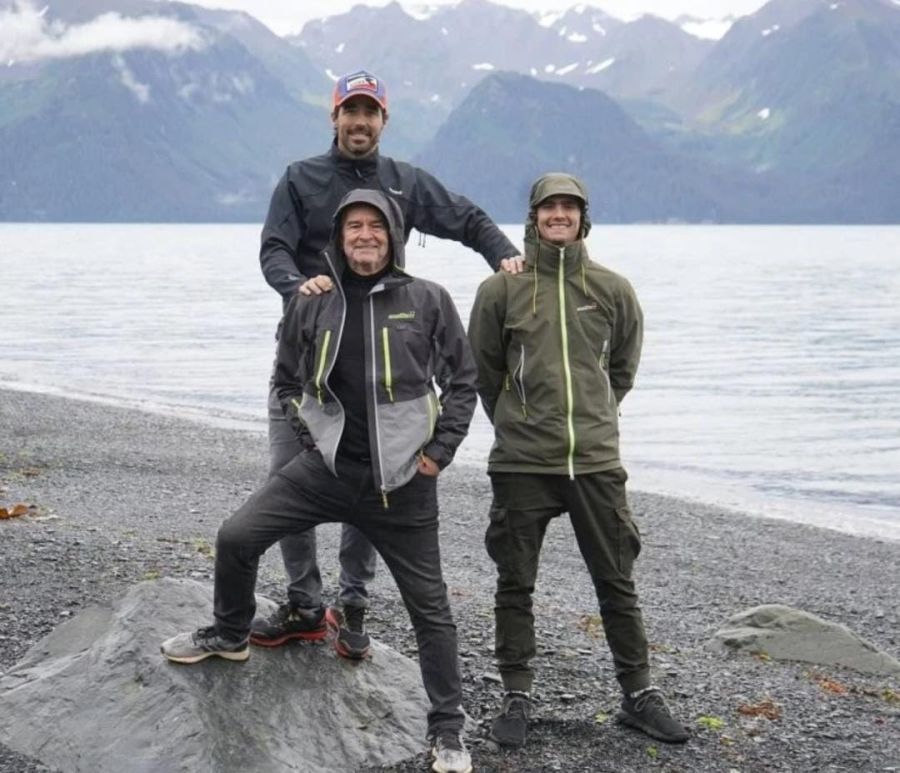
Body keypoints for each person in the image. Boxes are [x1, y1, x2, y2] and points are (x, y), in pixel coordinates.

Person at [162, 188, 476, 773]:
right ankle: (230, 635)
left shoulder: (428, 299)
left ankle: (449, 731)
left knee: (430, 609)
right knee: (236, 536)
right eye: (353, 226)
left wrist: (439, 452)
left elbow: (464, 380)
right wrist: (309, 438)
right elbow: (285, 380)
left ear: (393, 236)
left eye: (375, 227)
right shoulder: (313, 302)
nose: (364, 235)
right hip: (326, 472)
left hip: (402, 485)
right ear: (339, 237)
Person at [255, 68, 521, 659]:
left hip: (382, 366)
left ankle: (352, 603)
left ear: (383, 121)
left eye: (369, 112)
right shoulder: (301, 179)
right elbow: (273, 247)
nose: (359, 121)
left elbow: (468, 218)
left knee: (371, 483)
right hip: (310, 359)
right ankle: (303, 603)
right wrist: (298, 286)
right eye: (350, 111)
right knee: (286, 480)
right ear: (334, 119)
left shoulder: (404, 182)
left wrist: (505, 257)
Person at [467, 173, 689, 748]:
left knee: (616, 581)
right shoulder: (502, 290)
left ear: (583, 218)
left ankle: (639, 694)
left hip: (594, 461)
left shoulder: (612, 288)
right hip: (522, 463)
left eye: (569, 207)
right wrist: (517, 422)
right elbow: (484, 371)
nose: (558, 215)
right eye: (549, 207)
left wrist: (593, 415)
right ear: (533, 217)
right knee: (515, 583)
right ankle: (516, 693)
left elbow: (622, 370)